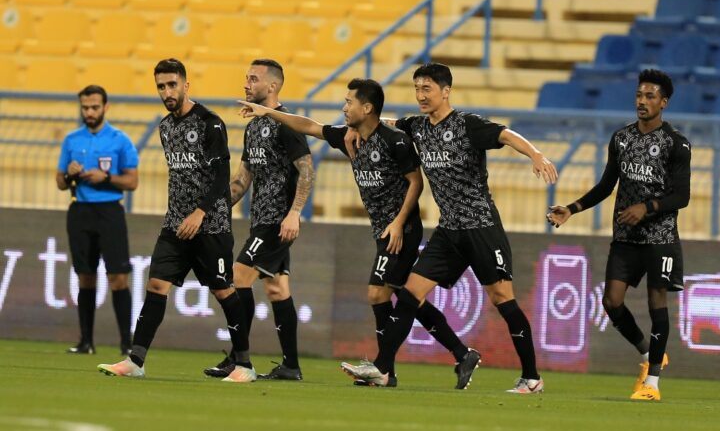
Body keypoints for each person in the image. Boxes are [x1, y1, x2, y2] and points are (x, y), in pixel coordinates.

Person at [239, 78, 477, 388]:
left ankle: (383, 370)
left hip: (400, 231)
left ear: (366, 108)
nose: (343, 107)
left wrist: (398, 222)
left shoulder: (395, 141)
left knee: (378, 292)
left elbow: (416, 183)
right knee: (409, 298)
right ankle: (460, 353)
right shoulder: (349, 137)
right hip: (382, 229)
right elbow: (307, 125)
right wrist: (265, 111)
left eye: (349, 102)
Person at [340, 63, 559, 393]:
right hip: (449, 232)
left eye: (427, 89)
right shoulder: (417, 127)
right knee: (410, 292)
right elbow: (381, 124)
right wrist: (356, 129)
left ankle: (532, 378)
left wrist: (535, 154)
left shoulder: (466, 125)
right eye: (416, 89)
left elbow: (505, 134)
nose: (420, 95)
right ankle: (383, 369)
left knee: (502, 298)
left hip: (482, 227)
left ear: (446, 91)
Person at [97, 58, 254, 382]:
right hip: (175, 225)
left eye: (172, 84)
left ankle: (244, 365)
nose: (166, 91)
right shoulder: (165, 127)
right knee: (156, 285)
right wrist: (183, 214)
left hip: (210, 225)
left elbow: (221, 174)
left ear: (185, 85)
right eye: (161, 86)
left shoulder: (209, 123)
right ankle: (136, 360)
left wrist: (201, 213)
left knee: (223, 291)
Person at [547, 69, 690, 401]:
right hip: (626, 236)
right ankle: (648, 355)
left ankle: (652, 384)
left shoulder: (675, 144)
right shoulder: (622, 138)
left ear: (663, 102)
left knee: (657, 303)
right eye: (639, 95)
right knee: (611, 302)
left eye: (650, 96)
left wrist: (647, 207)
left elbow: (681, 196)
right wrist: (572, 208)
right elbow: (606, 185)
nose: (642, 101)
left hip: (660, 238)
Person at [202, 59, 314, 381]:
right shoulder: (253, 126)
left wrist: (294, 213)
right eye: (246, 78)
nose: (246, 84)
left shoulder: (287, 123)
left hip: (278, 222)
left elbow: (306, 168)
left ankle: (240, 360)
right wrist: (214, 209)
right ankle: (291, 366)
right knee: (277, 290)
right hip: (261, 220)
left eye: (253, 79)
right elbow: (242, 180)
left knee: (237, 277)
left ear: (273, 86)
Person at [56, 85, 139, 356]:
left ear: (105, 107)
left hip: (109, 212)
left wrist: (107, 178)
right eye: (85, 107)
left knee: (118, 278)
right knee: (85, 277)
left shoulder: (119, 140)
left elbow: (132, 181)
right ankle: (86, 342)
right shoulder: (71, 140)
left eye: (94, 107)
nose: (89, 112)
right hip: (80, 211)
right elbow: (59, 181)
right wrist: (69, 174)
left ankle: (126, 344)